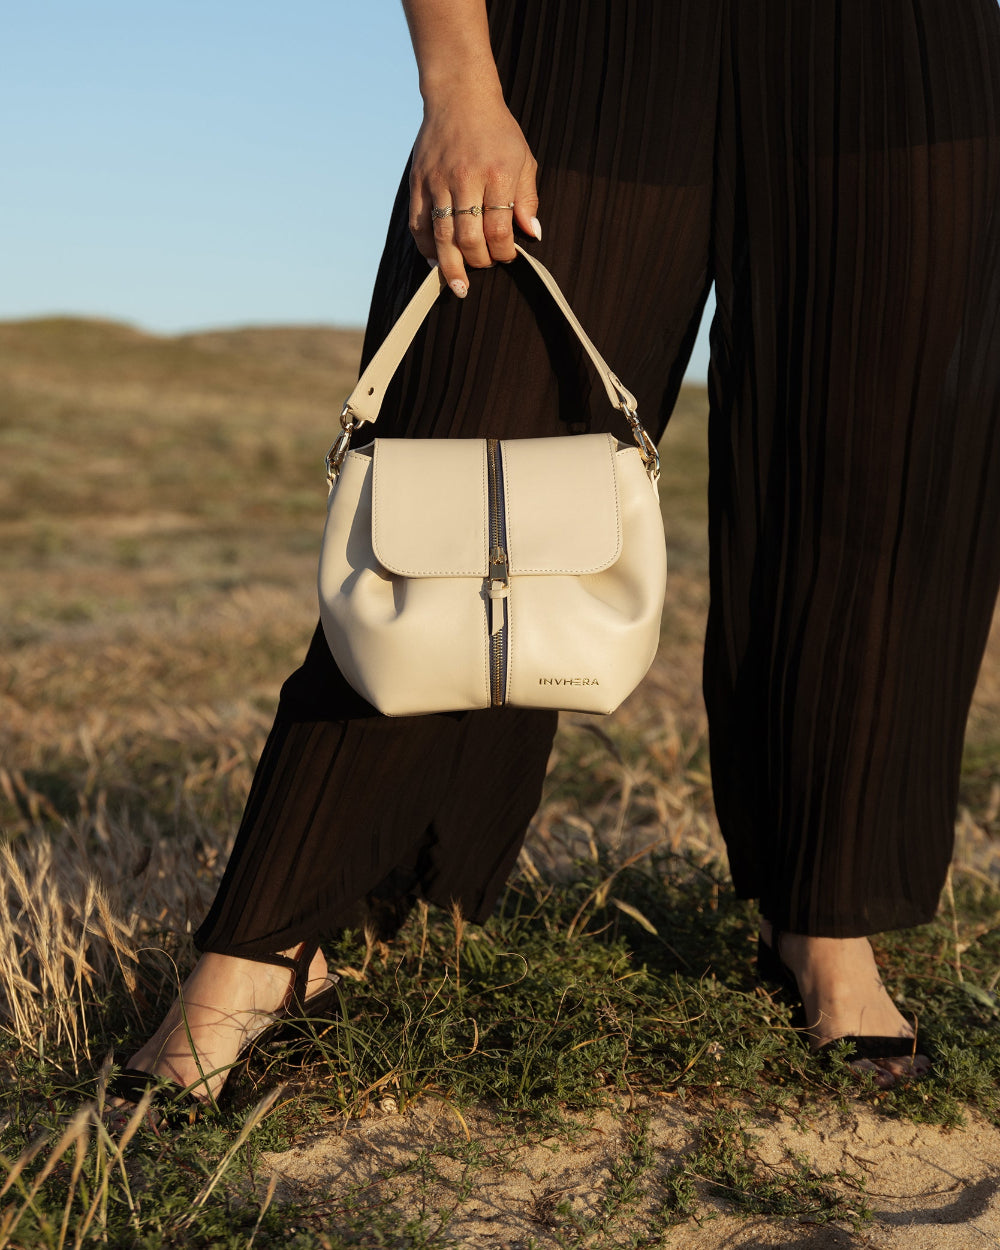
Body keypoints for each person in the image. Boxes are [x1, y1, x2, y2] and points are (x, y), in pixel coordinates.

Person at [111, 0, 1000, 1110]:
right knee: (472, 458)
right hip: (594, 35)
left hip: (899, 45)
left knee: (883, 483)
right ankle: (267, 947)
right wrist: (458, 87)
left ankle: (826, 925)